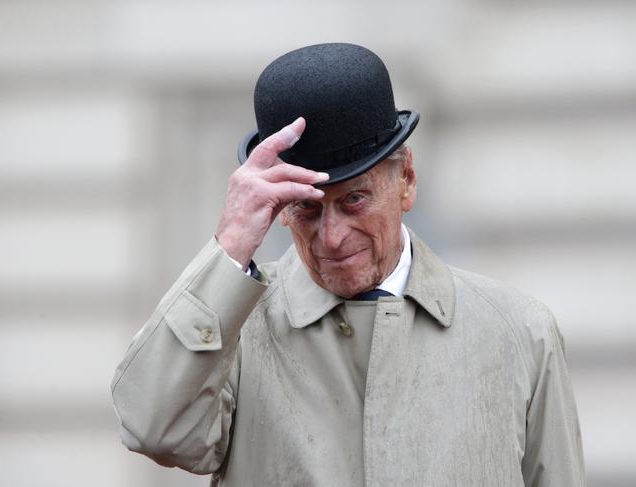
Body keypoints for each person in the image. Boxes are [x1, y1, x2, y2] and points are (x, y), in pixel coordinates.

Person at [111, 43, 585, 486]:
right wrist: (231, 244)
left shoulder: (520, 333)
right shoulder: (237, 332)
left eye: (354, 199)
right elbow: (152, 428)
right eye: (307, 208)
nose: (332, 237)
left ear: (407, 181)